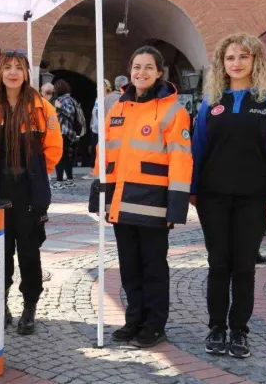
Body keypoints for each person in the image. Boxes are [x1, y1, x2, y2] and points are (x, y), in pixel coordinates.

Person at [191, 33, 266, 358]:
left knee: (244, 266)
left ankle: (239, 331)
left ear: (255, 61)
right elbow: (198, 148)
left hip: (254, 198)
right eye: (230, 57)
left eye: (243, 57)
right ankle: (216, 328)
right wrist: (191, 190)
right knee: (218, 263)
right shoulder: (211, 102)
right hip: (212, 198)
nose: (236, 63)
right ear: (222, 62)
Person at [94, 46, 193, 348]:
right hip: (121, 202)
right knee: (130, 267)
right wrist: (99, 194)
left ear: (159, 72)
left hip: (154, 203)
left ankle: (154, 324)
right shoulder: (119, 107)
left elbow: (181, 159)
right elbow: (105, 152)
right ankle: (134, 319)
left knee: (153, 267)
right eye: (137, 67)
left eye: (148, 67)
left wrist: (176, 205)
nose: (141, 73)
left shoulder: (174, 111)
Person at [0, 51, 62, 335]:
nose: (13, 73)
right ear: (0, 73)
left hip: (28, 191)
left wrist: (36, 174)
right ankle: (0, 305)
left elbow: (53, 148)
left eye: (19, 68)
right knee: (0, 252)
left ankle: (29, 306)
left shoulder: (41, 107)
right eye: (7, 68)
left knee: (28, 252)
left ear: (27, 73)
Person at [51, 80, 85, 189]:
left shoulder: (64, 100)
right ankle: (70, 180)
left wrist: (59, 106)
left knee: (59, 157)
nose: (54, 91)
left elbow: (70, 112)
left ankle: (60, 181)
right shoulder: (71, 99)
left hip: (64, 132)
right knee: (65, 158)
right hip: (69, 133)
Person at [84, 79, 113, 179]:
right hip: (95, 128)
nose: (97, 89)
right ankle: (94, 170)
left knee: (100, 150)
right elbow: (94, 111)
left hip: (103, 129)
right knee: (93, 149)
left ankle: (99, 171)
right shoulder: (97, 98)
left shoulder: (108, 98)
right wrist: (92, 123)